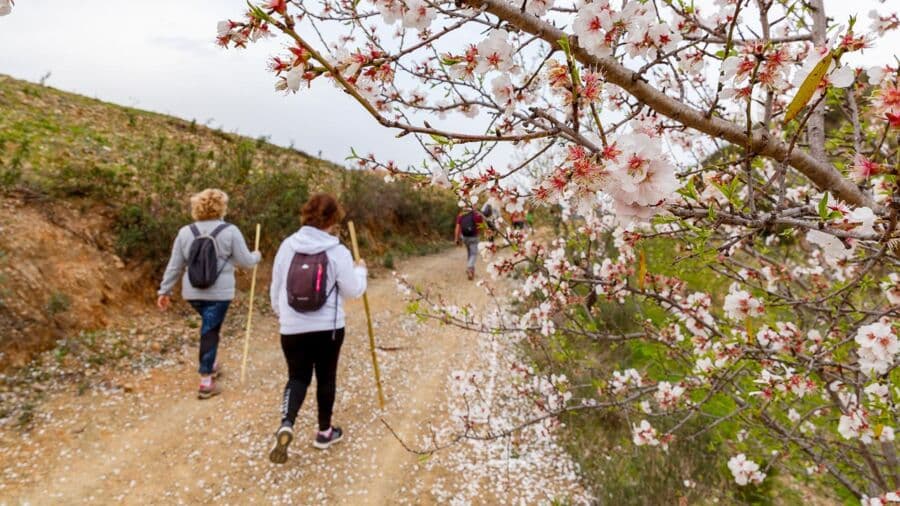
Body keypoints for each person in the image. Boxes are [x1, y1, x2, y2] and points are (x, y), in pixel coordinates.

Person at [267, 193, 367, 464]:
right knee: (326, 377)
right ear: (334, 218)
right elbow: (353, 290)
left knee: (297, 377)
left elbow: (276, 287)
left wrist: (284, 317)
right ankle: (324, 432)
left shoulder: (287, 246)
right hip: (328, 328)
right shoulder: (338, 251)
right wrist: (361, 271)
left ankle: (287, 422)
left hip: (292, 327)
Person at [157, 189, 262, 399]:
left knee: (209, 326)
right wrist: (257, 255)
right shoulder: (230, 231)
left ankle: (211, 362)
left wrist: (164, 290)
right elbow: (246, 261)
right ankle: (206, 380)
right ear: (221, 207)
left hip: (192, 293)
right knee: (210, 330)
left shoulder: (185, 232)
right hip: (220, 294)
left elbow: (175, 265)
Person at [454, 206, 484, 280]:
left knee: (469, 254)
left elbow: (457, 228)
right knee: (473, 254)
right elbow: (481, 226)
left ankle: (471, 272)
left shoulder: (461, 214)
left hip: (465, 237)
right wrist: (479, 232)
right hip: (474, 237)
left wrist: (456, 238)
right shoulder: (476, 214)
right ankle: (470, 268)